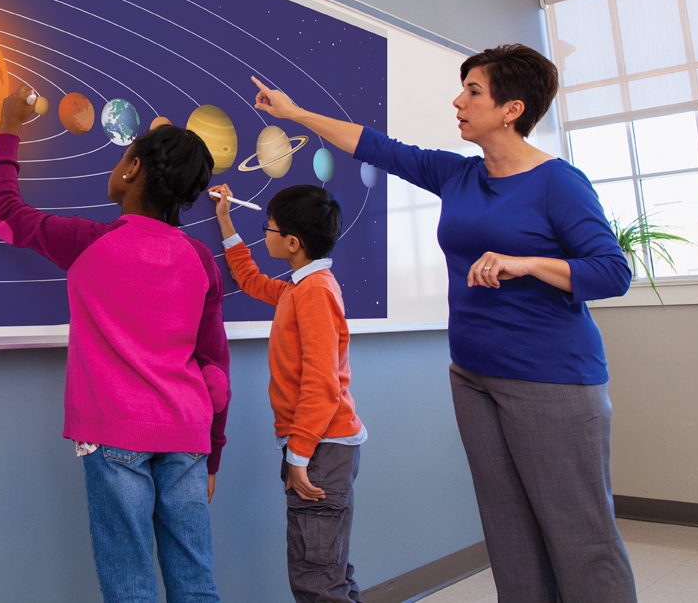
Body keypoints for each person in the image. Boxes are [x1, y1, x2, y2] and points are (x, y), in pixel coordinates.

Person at [248, 44, 636, 603]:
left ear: (512, 109)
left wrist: (527, 263)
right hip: (473, 375)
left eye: (473, 91)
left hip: (552, 379)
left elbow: (612, 271)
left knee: (580, 536)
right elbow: (376, 147)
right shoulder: (458, 174)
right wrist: (294, 114)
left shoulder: (558, 182)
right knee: (509, 533)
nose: (458, 101)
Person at [0, 83, 231, 603]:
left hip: (114, 434)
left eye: (122, 158)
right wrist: (212, 457)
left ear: (133, 168)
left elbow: (3, 213)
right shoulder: (201, 261)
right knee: (196, 583)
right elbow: (215, 372)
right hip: (189, 436)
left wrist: (8, 129)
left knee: (130, 587)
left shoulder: (87, 242)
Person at [210, 182, 365, 603]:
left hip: (319, 448)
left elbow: (322, 383)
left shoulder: (314, 293)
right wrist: (225, 221)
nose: (265, 233)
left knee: (316, 579)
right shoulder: (300, 289)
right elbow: (251, 280)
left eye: (269, 227)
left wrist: (298, 456)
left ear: (293, 243)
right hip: (320, 446)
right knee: (328, 569)